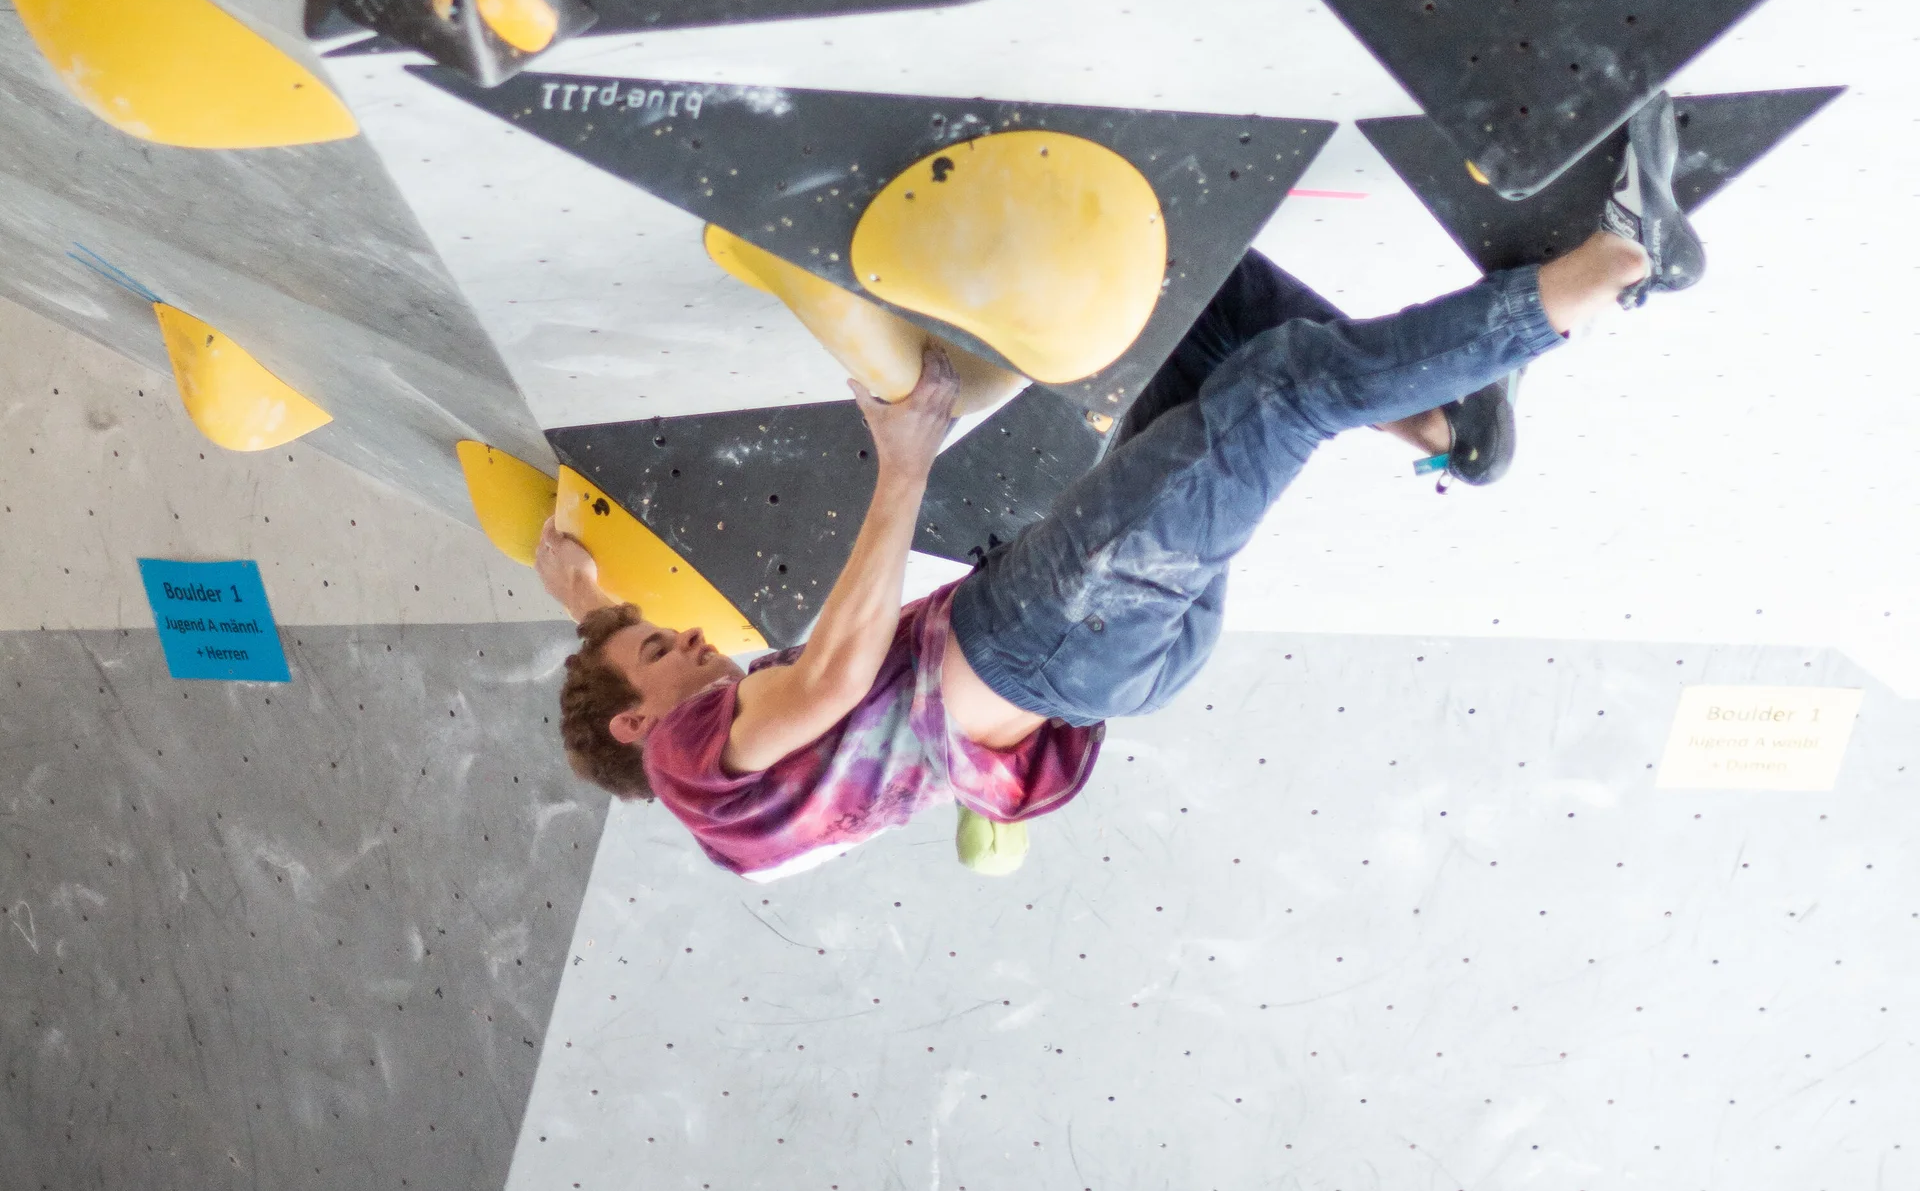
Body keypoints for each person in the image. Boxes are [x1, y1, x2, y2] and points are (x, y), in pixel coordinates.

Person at [536, 93, 1703, 876]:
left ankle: (1446, 423)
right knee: (1286, 390)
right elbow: (834, 674)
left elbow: (651, 685)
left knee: (1197, 308)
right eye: (659, 650)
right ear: (644, 719)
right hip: (1044, 631)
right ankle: (1621, 261)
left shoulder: (721, 782)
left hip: (1097, 657)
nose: (689, 639)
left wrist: (594, 610)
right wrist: (906, 459)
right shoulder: (690, 757)